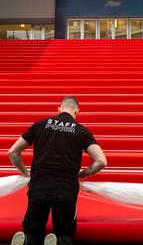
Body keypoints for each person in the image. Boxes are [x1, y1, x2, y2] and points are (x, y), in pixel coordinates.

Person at [9, 96, 107, 245]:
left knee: (33, 231)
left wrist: (26, 174)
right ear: (77, 111)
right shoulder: (82, 131)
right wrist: (82, 174)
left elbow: (13, 152)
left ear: (59, 108)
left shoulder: (40, 125)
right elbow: (101, 161)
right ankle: (58, 242)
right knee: (64, 233)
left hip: (39, 186)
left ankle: (26, 240)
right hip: (65, 189)